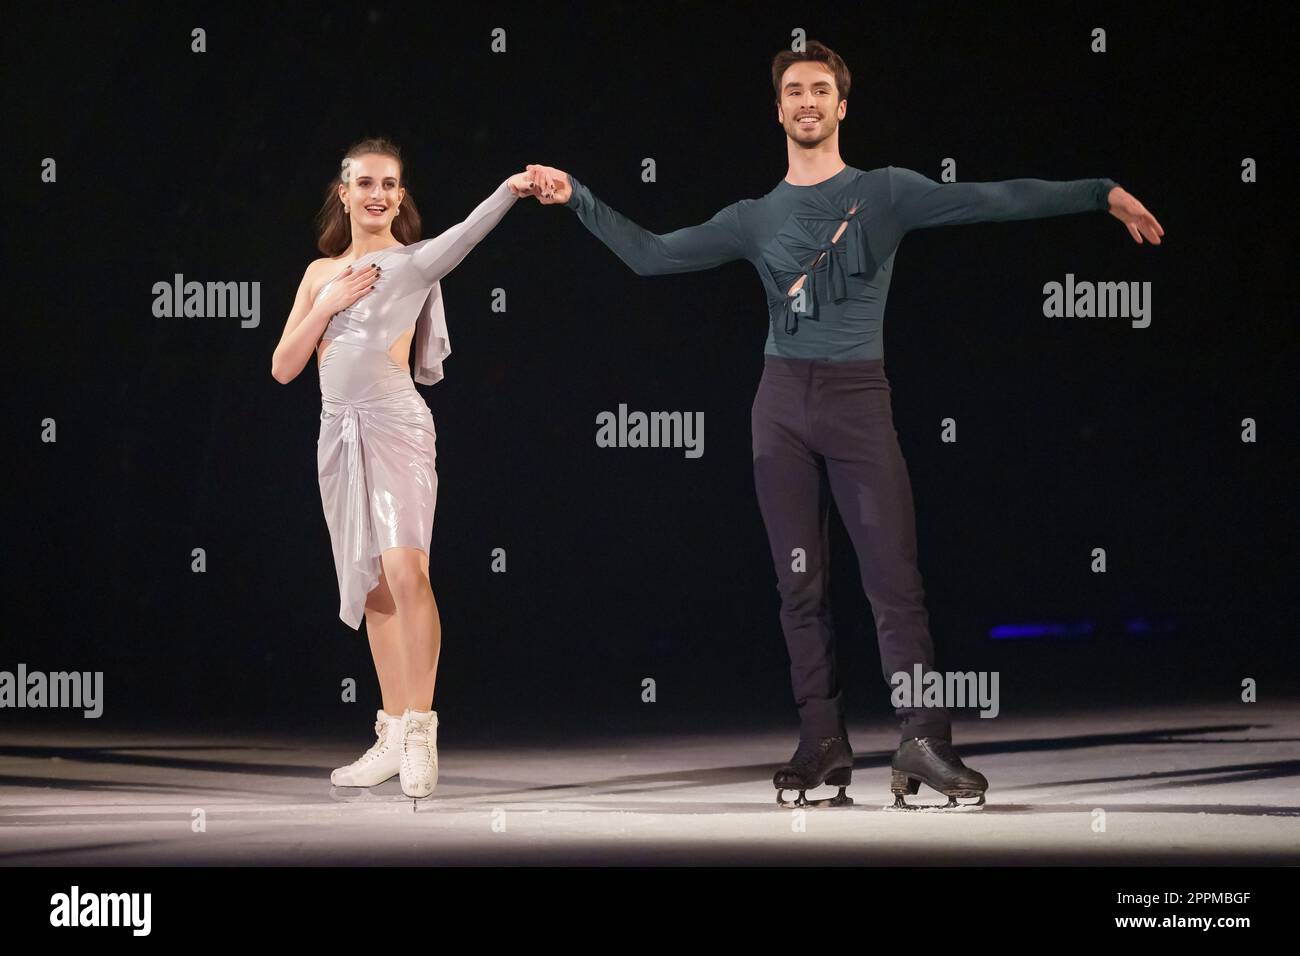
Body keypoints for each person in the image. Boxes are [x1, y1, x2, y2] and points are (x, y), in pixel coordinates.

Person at [523, 41, 1163, 809]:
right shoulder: (753, 218)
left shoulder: (886, 193)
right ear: (779, 107)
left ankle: (923, 738)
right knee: (800, 584)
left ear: (842, 105)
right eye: (793, 90)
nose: (806, 101)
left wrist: (1100, 192)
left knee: (894, 581)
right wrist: (578, 198)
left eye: (820, 89)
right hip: (780, 407)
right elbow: (653, 256)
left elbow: (995, 200)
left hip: (860, 403)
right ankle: (821, 739)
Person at [271, 137, 539, 799]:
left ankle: (420, 731)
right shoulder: (316, 275)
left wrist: (510, 188)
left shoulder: (414, 263)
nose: (378, 194)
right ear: (344, 192)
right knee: (370, 587)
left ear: (400, 194)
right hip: (339, 435)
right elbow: (283, 368)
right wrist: (328, 303)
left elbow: (468, 235)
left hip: (395, 424)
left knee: (405, 569)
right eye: (365, 182)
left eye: (389, 184)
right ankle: (390, 735)